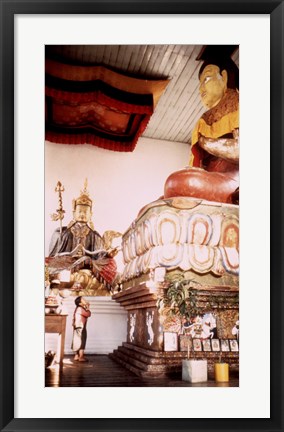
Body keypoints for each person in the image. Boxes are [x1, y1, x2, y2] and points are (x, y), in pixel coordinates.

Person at [164, 57, 239, 204]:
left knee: (183, 183)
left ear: (224, 77)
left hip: (233, 179)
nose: (201, 89)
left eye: (207, 79)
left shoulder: (239, 105)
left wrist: (206, 143)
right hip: (211, 178)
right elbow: (197, 165)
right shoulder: (203, 121)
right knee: (169, 192)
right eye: (200, 84)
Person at [48, 180, 119, 290]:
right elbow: (55, 256)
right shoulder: (65, 233)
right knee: (52, 267)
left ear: (90, 215)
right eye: (80, 211)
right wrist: (71, 254)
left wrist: (108, 255)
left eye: (85, 212)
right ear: (73, 213)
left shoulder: (94, 235)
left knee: (108, 264)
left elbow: (99, 256)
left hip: (87, 266)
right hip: (67, 265)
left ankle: (78, 281)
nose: (82, 214)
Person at [71, 296, 91, 362]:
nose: (85, 300)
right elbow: (88, 314)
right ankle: (81, 357)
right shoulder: (80, 308)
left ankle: (76, 356)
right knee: (82, 340)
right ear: (80, 303)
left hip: (77, 326)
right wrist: (88, 307)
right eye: (83, 299)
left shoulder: (78, 308)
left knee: (77, 340)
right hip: (81, 326)